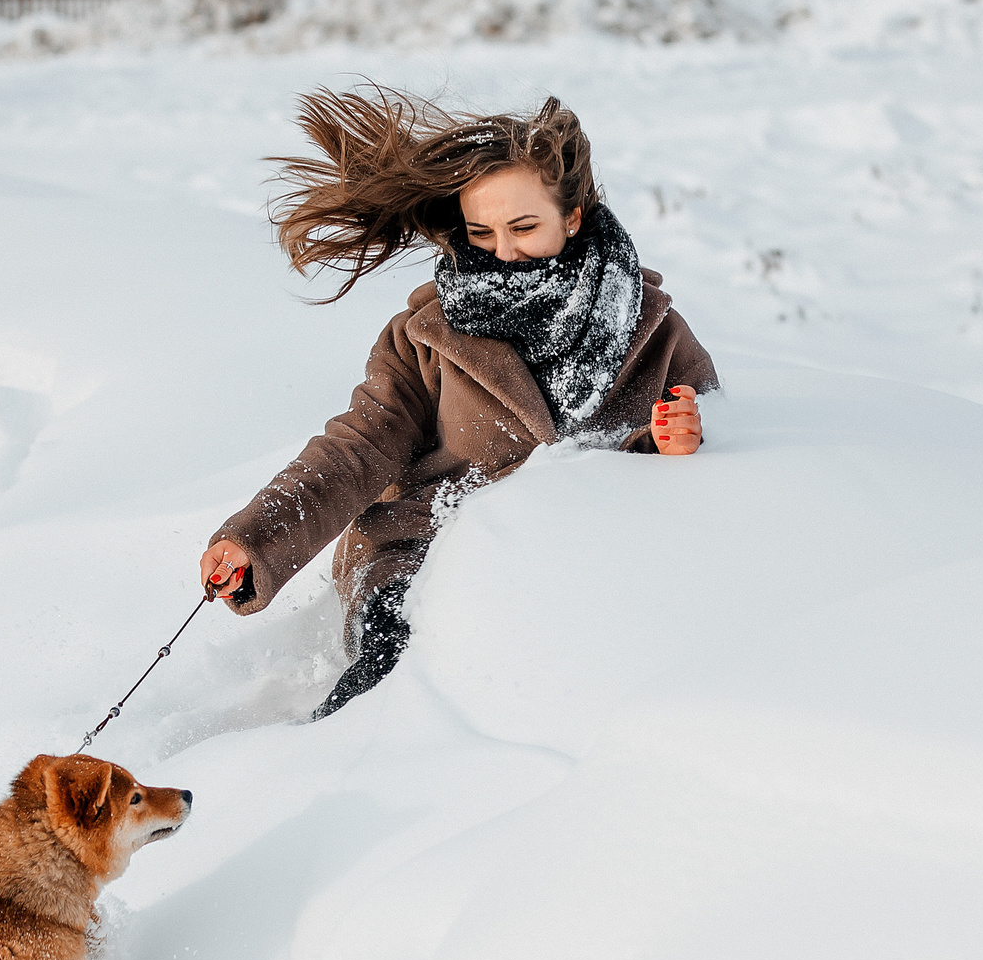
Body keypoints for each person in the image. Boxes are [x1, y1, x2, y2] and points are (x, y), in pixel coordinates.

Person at [198, 87, 719, 718]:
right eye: (482, 231)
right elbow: (358, 447)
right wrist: (256, 539)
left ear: (573, 215)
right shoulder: (426, 332)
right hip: (419, 558)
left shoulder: (654, 330)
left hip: (582, 569)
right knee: (395, 691)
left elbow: (703, 468)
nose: (503, 252)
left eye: (525, 227)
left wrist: (676, 442)